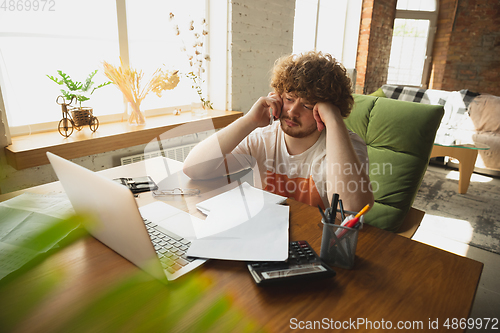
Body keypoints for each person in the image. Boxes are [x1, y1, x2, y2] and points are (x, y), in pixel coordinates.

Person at [183, 51, 374, 213]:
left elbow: (351, 209)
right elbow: (194, 169)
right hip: (266, 234)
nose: (292, 111)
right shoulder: (262, 137)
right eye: (289, 99)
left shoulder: (346, 145)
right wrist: (249, 120)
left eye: (307, 105)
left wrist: (334, 120)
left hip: (315, 242)